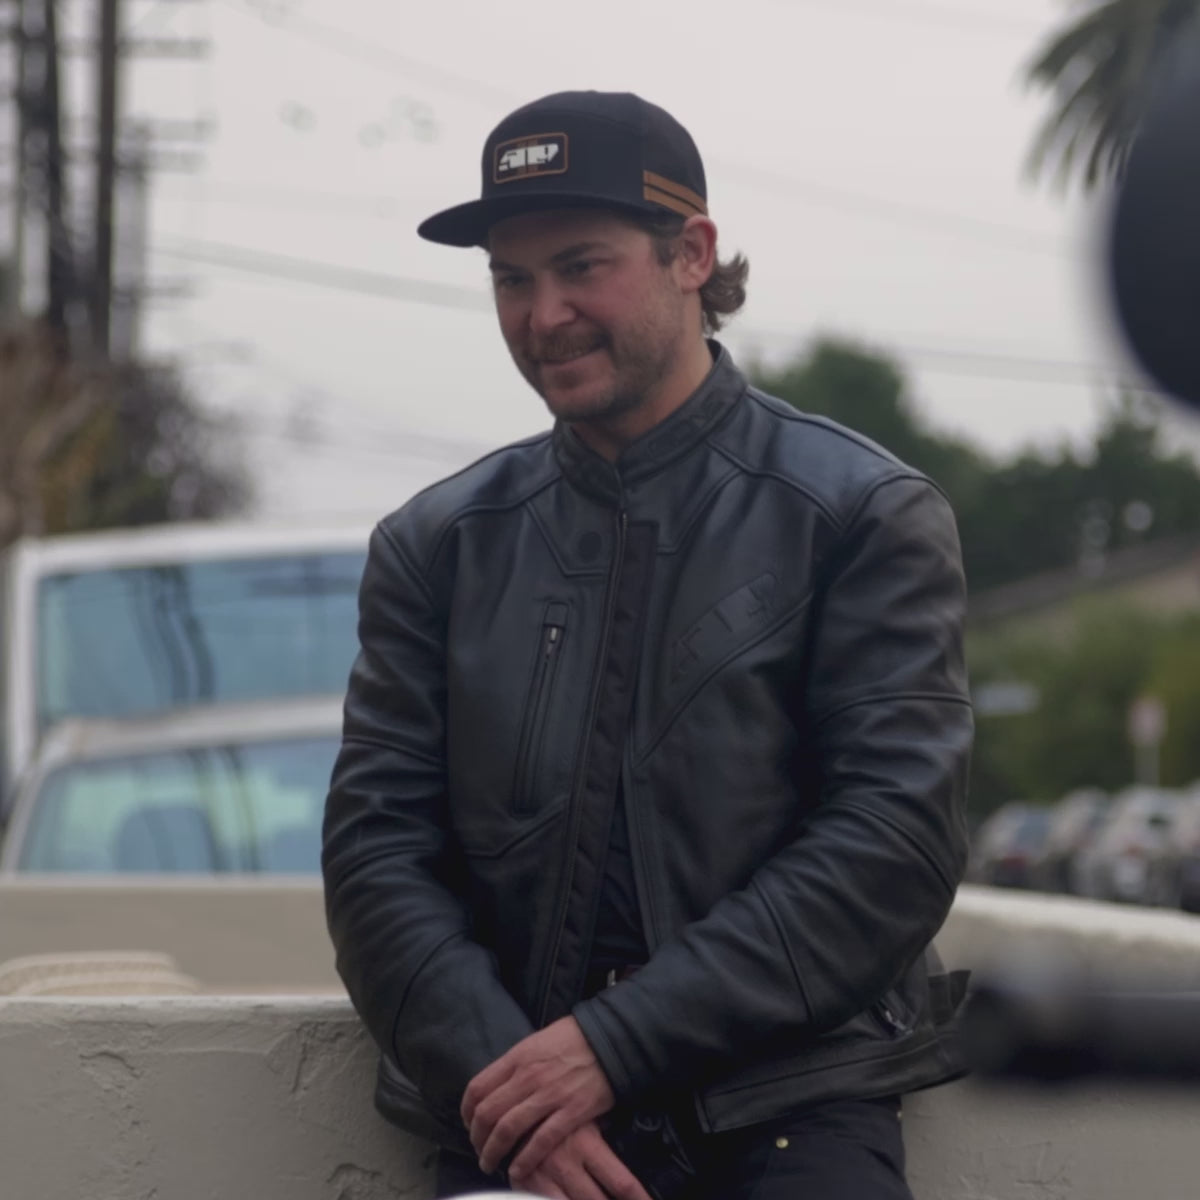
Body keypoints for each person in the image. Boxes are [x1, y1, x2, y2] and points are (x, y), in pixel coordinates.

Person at [322, 89, 973, 1200]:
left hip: (788, 1111)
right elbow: (376, 857)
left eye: (581, 266)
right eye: (511, 280)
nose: (545, 315)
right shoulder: (438, 547)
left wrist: (611, 1047)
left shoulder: (859, 514)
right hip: (520, 1127)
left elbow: (893, 843)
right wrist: (513, 1085)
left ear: (693, 255)